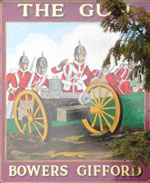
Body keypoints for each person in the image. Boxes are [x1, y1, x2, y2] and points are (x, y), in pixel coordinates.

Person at [6, 52, 30, 118]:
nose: (25, 66)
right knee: (10, 115)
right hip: (13, 96)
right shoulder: (13, 74)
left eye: (26, 64)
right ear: (19, 64)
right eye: (23, 64)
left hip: (24, 97)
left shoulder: (29, 74)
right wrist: (10, 89)